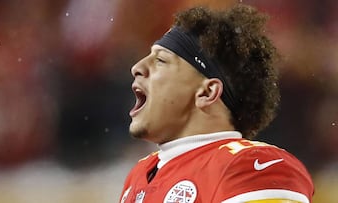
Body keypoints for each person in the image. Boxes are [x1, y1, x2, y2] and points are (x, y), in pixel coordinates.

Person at [120, 4, 314, 203]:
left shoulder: (251, 165)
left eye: (161, 60)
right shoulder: (139, 175)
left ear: (207, 92)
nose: (137, 67)